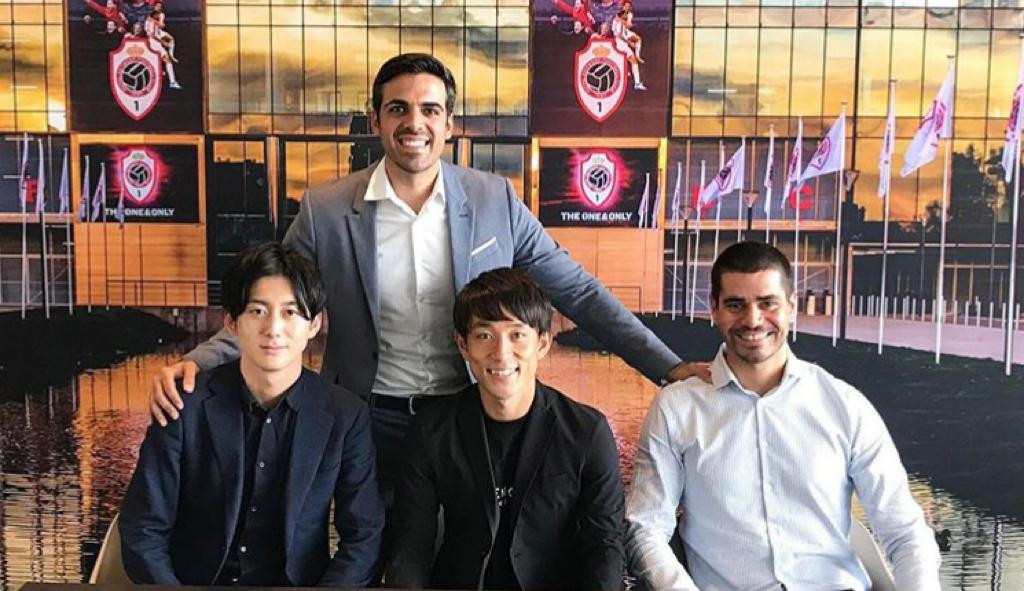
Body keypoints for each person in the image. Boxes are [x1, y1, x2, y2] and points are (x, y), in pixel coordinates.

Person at [148, 53, 705, 499]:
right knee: (373, 553)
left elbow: (577, 291)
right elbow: (274, 303)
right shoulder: (326, 210)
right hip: (365, 417)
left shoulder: (494, 201)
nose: (414, 123)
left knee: (461, 558)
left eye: (430, 110)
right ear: (376, 120)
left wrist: (667, 366)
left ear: (448, 123)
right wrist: (196, 362)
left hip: (468, 412)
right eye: (398, 109)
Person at [625, 241, 941, 591]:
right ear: (713, 308)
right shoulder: (676, 409)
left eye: (767, 303)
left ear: (791, 306)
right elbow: (645, 527)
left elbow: (905, 533)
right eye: (735, 304)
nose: (752, 320)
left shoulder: (845, 405)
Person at [119, 242, 383, 587]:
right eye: (257, 311)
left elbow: (363, 536)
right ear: (232, 322)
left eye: (290, 312)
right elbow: (143, 529)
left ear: (314, 324)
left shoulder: (345, 415)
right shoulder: (183, 405)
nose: (273, 328)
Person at [386, 268, 624, 591]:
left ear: (543, 342)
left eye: (517, 335)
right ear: (463, 344)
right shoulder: (432, 430)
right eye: (484, 335)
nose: (501, 353)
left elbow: (605, 548)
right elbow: (411, 547)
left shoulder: (587, 433)